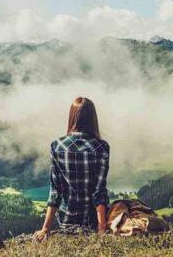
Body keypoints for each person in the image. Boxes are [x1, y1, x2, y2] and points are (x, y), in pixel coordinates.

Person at [33, 97, 110, 242]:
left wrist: (45, 229)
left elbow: (56, 190)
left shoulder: (56, 146)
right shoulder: (101, 147)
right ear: (92, 119)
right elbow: (99, 192)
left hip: (66, 221)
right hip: (92, 221)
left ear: (72, 117)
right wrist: (101, 231)